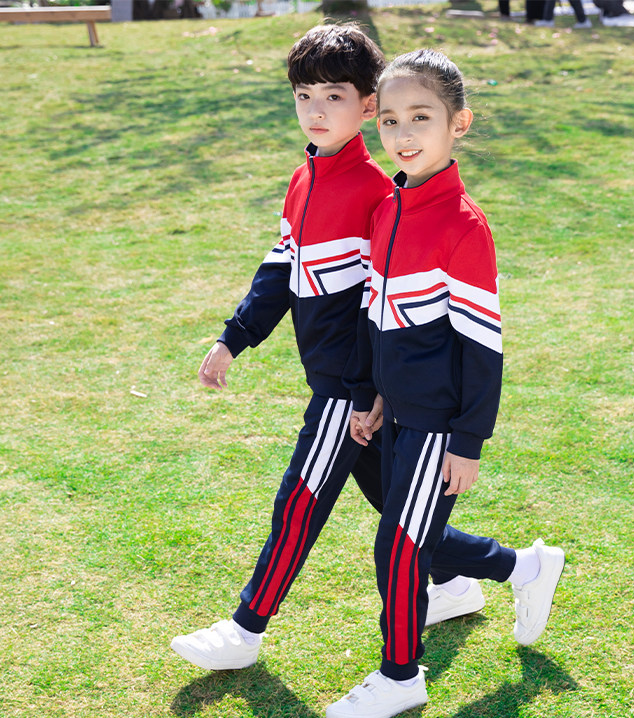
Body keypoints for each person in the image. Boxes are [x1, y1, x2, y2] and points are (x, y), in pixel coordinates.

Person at [170, 25, 513, 674]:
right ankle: (481, 575)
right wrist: (233, 337)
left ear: (366, 106)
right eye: (304, 96)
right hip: (352, 387)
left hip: (349, 389)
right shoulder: (304, 179)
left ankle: (246, 628)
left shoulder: (378, 193)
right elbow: (281, 268)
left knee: (301, 499)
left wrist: (364, 389)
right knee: (399, 513)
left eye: (335, 96)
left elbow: (379, 308)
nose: (317, 110)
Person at [325, 50, 565, 718]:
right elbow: (380, 316)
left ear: (459, 123)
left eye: (421, 117)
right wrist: (373, 394)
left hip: (438, 421)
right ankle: (523, 568)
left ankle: (400, 676)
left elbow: (483, 347)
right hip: (396, 411)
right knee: (408, 535)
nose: (403, 134)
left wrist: (468, 440)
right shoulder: (389, 208)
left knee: (399, 546)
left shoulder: (464, 224)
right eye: (390, 120)